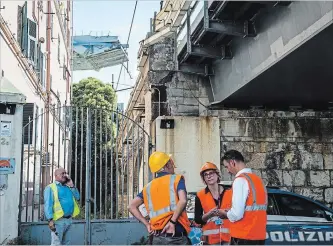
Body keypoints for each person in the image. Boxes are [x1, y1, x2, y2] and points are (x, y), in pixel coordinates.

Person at [128, 151, 191, 245]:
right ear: (168, 164)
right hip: (176, 236)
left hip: (157, 238)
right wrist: (172, 222)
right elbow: (183, 200)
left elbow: (131, 206)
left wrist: (147, 224)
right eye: (171, 161)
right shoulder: (176, 179)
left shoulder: (148, 187)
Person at [219, 150, 267, 245]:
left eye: (227, 167)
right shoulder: (259, 181)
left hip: (243, 236)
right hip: (259, 236)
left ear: (233, 162)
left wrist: (225, 213)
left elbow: (237, 214)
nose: (228, 171)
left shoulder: (240, 180)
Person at [194, 162, 232, 245]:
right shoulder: (200, 195)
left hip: (230, 237)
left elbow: (237, 213)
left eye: (211, 173)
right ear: (203, 178)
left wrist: (226, 213)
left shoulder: (231, 192)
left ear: (217, 174)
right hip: (210, 240)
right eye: (205, 174)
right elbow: (197, 219)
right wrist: (209, 214)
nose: (209, 176)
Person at [44, 168, 80, 245]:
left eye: (65, 173)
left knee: (67, 243)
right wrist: (50, 220)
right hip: (58, 221)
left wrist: (72, 186)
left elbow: (78, 197)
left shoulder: (68, 187)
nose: (64, 175)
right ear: (56, 176)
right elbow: (48, 205)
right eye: (62, 174)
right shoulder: (50, 188)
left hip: (69, 220)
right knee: (56, 243)